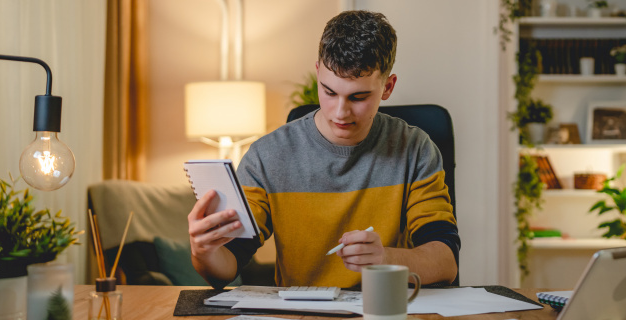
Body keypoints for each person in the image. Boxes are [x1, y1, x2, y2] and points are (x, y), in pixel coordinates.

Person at [187, 10, 459, 288]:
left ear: (387, 87)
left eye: (358, 96)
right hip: (300, 314)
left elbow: (446, 261)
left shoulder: (415, 149)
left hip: (382, 310)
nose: (340, 112)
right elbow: (228, 264)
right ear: (318, 72)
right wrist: (203, 252)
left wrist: (385, 258)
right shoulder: (266, 157)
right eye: (329, 92)